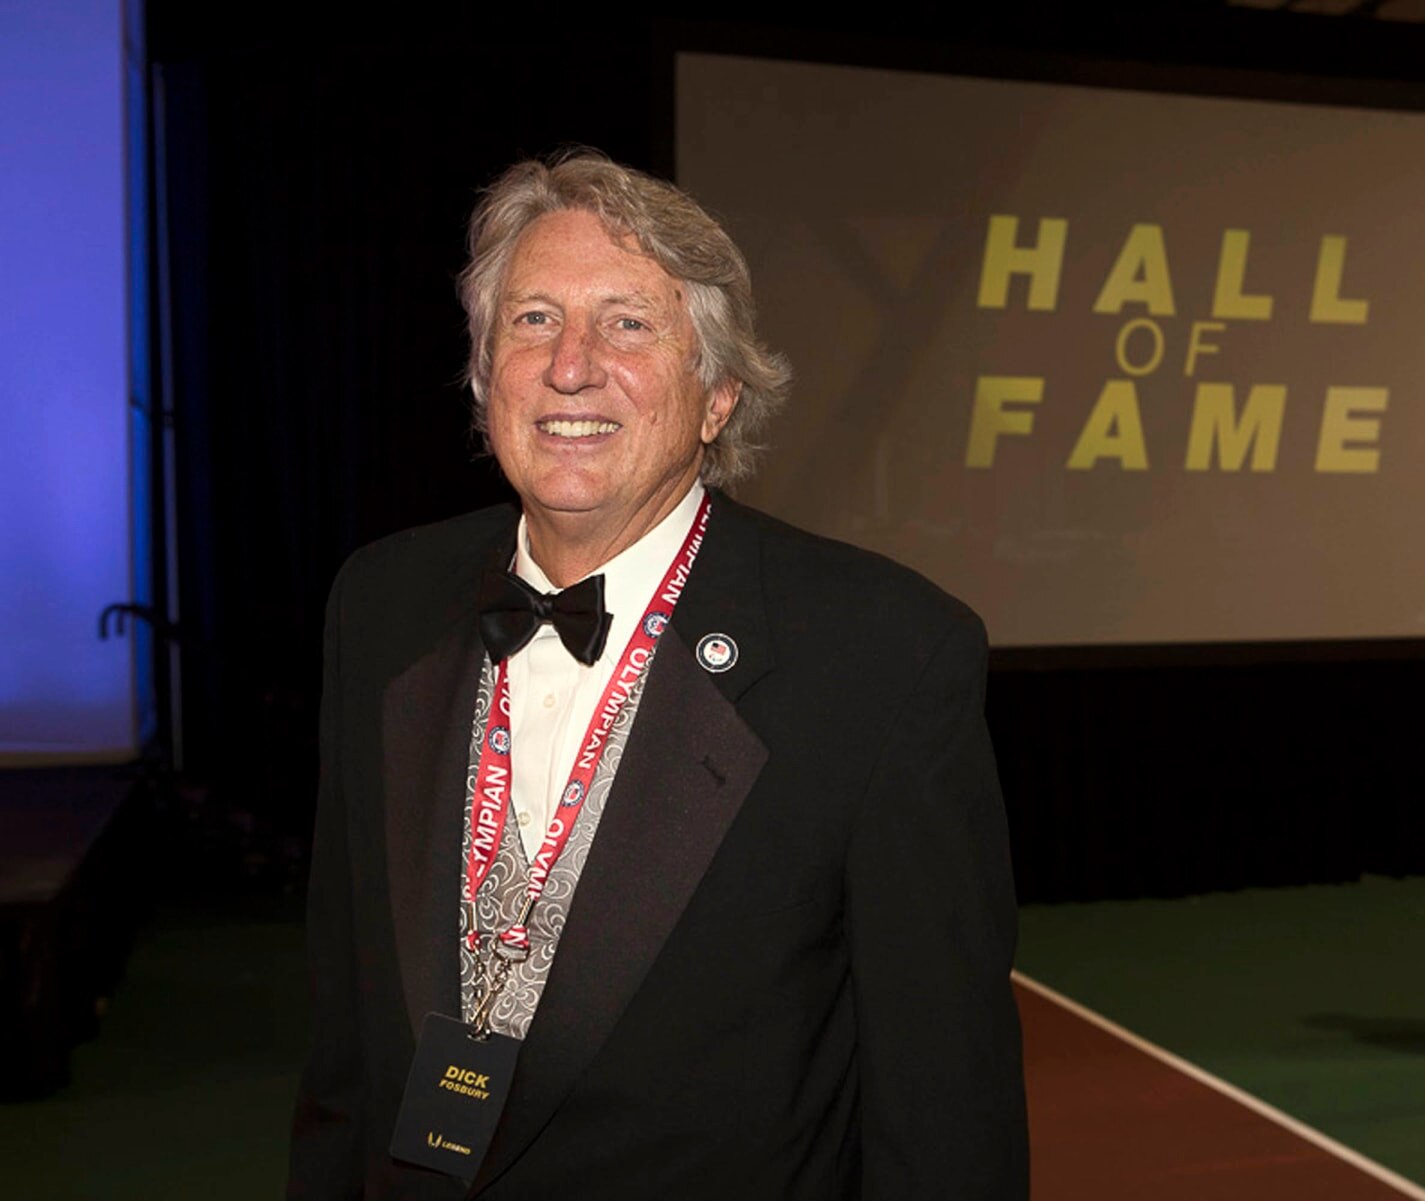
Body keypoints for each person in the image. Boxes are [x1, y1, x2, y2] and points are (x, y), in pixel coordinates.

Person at [289, 149, 1029, 1198]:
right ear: (485, 374)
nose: (571, 366)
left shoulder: (884, 655)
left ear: (719, 394)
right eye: (533, 319)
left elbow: (945, 1111)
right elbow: (345, 1049)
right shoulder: (379, 606)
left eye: (628, 324)